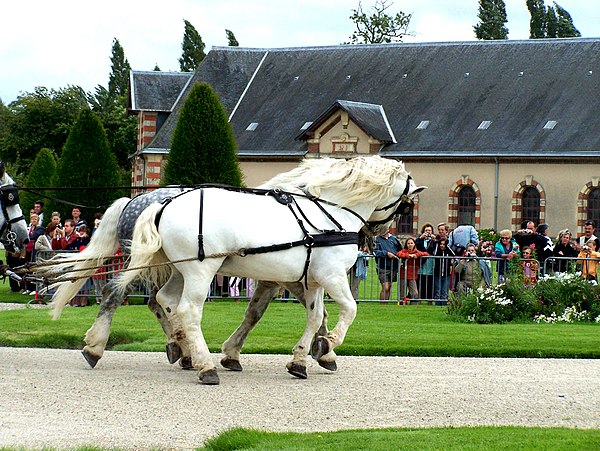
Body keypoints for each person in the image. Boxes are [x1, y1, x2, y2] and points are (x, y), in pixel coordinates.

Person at [396, 237, 428, 302]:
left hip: (412, 275)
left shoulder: (416, 251)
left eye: (411, 243)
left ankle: (414, 304)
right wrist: (408, 256)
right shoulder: (404, 251)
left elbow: (426, 253)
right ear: (406, 244)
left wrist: (416, 255)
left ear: (414, 244)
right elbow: (398, 254)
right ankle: (402, 304)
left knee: (414, 292)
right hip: (403, 274)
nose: (410, 245)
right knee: (402, 292)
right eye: (408, 243)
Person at [374, 230, 403, 301]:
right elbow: (375, 251)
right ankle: (382, 303)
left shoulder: (394, 239)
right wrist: (386, 253)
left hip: (393, 266)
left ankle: (385, 304)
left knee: (389, 287)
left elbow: (400, 250)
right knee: (385, 287)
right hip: (382, 267)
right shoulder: (376, 239)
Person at [22, 213, 45, 294]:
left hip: (34, 251)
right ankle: (27, 287)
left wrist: (27, 236)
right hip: (27, 251)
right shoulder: (28, 229)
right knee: (27, 269)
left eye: (35, 219)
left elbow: (33, 236)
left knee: (34, 270)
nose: (34, 221)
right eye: (32, 219)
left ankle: (35, 288)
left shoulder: (40, 229)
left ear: (38, 220)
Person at [415, 223, 435, 299]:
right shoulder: (420, 240)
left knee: (429, 281)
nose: (428, 232)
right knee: (420, 280)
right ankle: (419, 297)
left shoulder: (433, 240)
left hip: (430, 263)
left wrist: (434, 240)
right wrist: (420, 238)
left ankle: (429, 298)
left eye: (429, 230)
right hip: (421, 262)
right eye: (426, 230)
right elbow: (415, 246)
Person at [432, 237, 454, 301]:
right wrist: (436, 243)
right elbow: (435, 254)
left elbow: (453, 254)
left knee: (445, 291)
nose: (442, 245)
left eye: (443, 244)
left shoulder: (448, 251)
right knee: (438, 290)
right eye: (441, 244)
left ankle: (444, 303)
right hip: (437, 273)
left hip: (446, 274)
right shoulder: (437, 250)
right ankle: (437, 304)